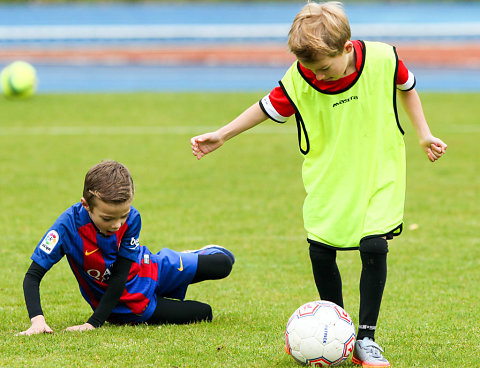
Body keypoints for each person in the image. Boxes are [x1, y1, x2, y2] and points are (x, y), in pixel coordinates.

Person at [190, 2, 446, 366]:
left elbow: (406, 87)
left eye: (325, 68)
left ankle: (367, 338)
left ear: (346, 48)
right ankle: (338, 328)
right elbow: (265, 106)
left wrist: (424, 134)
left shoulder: (383, 58)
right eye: (312, 69)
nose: (319, 76)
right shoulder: (302, 77)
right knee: (321, 249)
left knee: (373, 245)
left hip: (379, 170)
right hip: (329, 175)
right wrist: (222, 135)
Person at [19, 160, 234, 335]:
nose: (117, 224)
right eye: (107, 218)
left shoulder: (133, 217)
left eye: (123, 215)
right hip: (131, 305)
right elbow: (33, 276)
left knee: (223, 263)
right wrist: (38, 321)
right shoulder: (67, 227)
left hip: (150, 268)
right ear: (86, 205)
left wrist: (93, 323)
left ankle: (188, 257)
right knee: (204, 313)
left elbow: (121, 271)